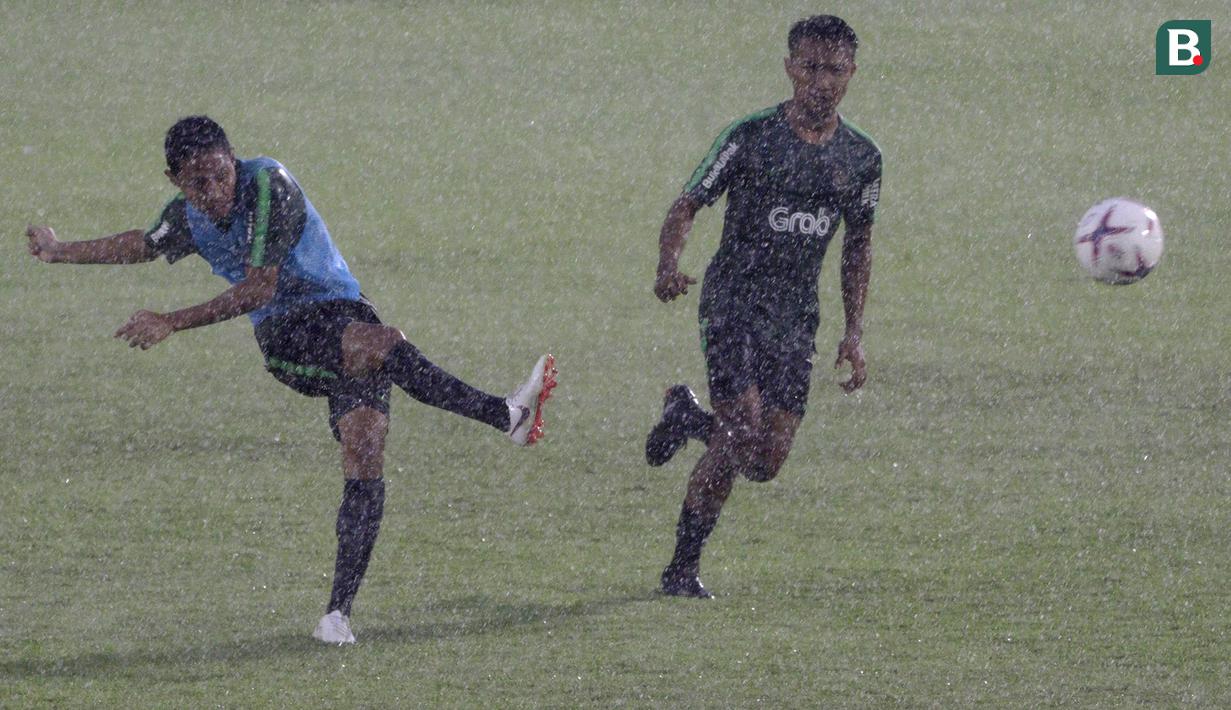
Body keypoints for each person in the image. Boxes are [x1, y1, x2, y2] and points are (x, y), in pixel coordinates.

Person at [25, 116, 557, 644]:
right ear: (175, 182)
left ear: (233, 160)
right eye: (197, 182)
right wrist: (59, 250)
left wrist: (170, 320)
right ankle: (505, 414)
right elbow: (146, 245)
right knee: (385, 344)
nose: (213, 191)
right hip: (287, 336)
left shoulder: (267, 186)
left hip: (346, 315)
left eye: (219, 175)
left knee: (365, 448)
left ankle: (336, 617)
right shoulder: (187, 216)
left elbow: (258, 284)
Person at [646, 15, 881, 598]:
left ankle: (687, 418)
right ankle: (681, 571)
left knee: (764, 461)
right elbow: (688, 203)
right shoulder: (751, 137)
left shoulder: (862, 158)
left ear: (852, 73)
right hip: (733, 303)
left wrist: (854, 332)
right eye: (809, 67)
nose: (820, 81)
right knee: (740, 430)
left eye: (833, 70)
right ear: (789, 67)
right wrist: (669, 264)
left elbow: (858, 243)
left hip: (794, 318)